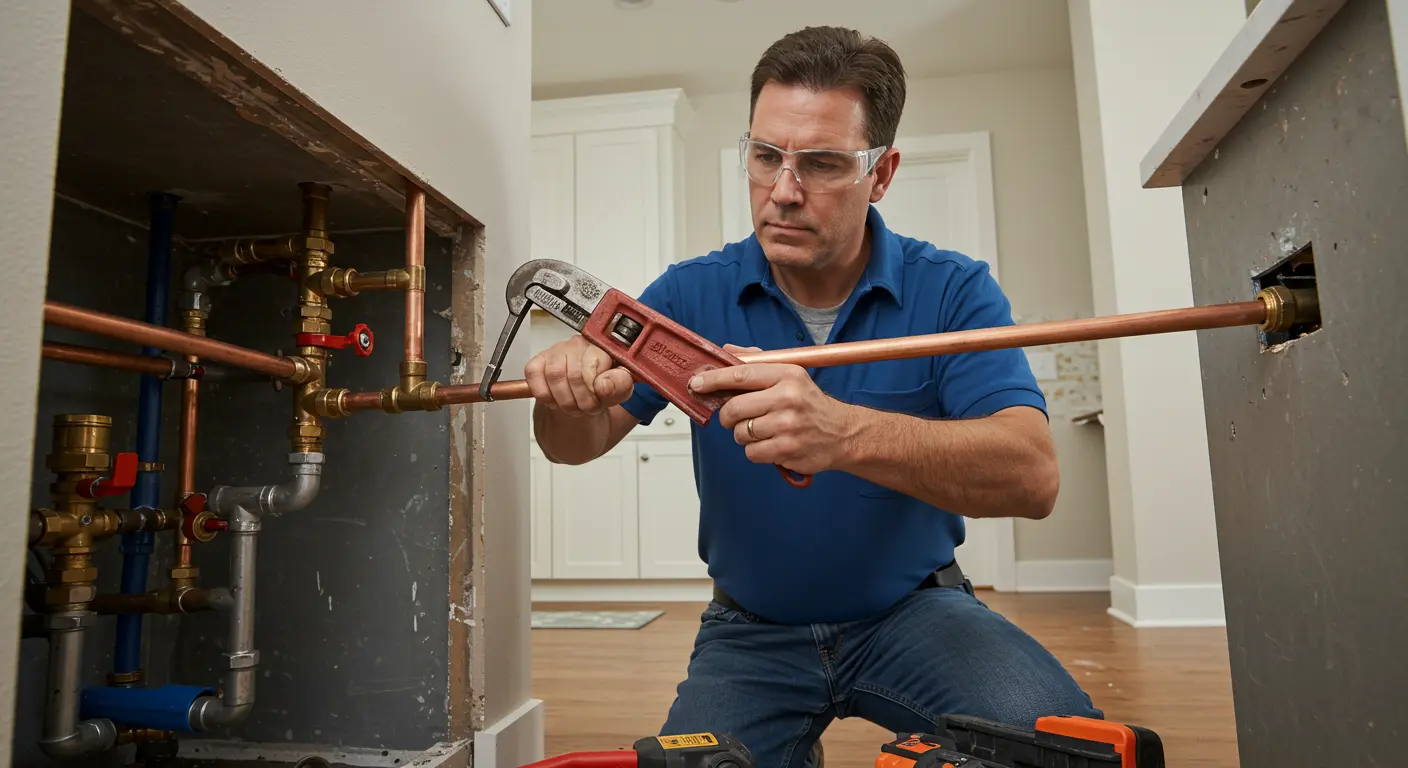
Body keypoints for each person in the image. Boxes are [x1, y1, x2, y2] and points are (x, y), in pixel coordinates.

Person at [524, 25, 1099, 768]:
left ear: (881, 173)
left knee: (1065, 752)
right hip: (750, 633)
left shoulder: (955, 290)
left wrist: (842, 435)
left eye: (822, 164)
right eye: (766, 156)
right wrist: (563, 397)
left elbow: (1033, 476)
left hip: (916, 612)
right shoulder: (687, 296)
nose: (783, 191)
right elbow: (575, 444)